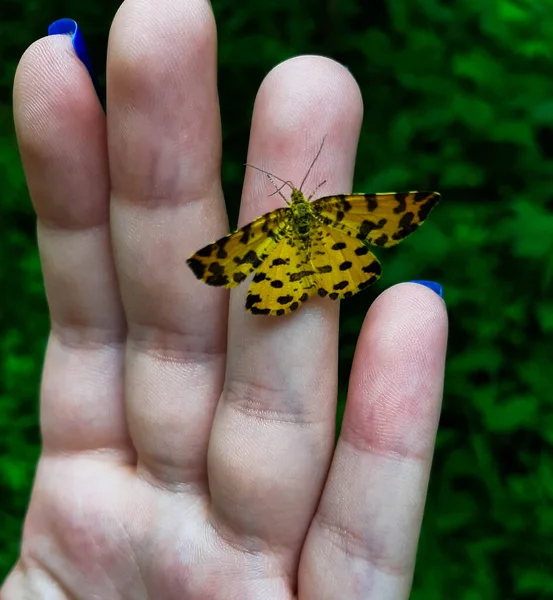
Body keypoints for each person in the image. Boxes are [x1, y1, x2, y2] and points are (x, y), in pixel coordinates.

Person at [2, 1, 448, 598]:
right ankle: (321, 275)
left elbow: (228, 257)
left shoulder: (274, 227)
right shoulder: (325, 214)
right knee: (316, 268)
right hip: (327, 249)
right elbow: (219, 261)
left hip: (292, 257)